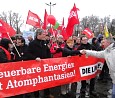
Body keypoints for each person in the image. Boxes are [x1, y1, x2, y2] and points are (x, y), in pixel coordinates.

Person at [28, 28, 54, 98]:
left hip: (45, 65)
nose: (44, 35)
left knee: (46, 79)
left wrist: (49, 60)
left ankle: (47, 93)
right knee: (37, 80)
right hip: (36, 66)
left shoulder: (44, 42)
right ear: (38, 35)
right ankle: (36, 95)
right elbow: (28, 53)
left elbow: (48, 52)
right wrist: (35, 58)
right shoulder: (32, 44)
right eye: (43, 34)